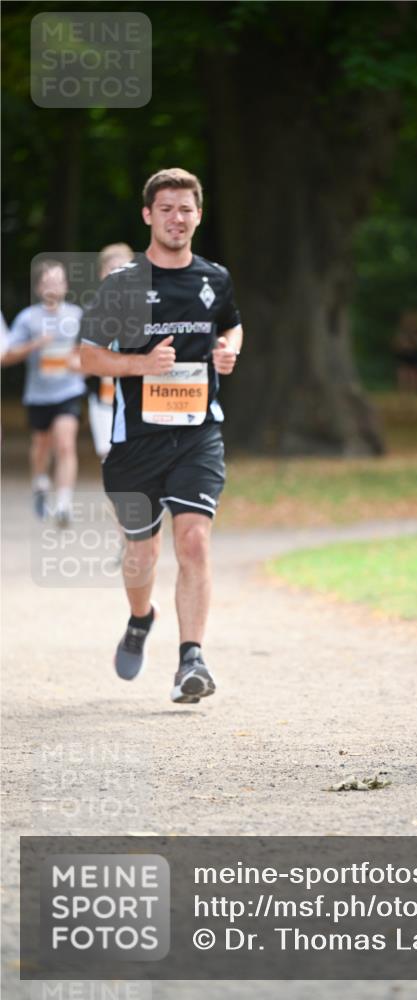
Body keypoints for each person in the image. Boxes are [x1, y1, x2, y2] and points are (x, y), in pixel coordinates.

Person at [80, 167, 243, 705]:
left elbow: (231, 323)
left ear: (199, 215)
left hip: (198, 434)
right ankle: (139, 617)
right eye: (167, 208)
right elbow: (86, 355)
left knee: (194, 539)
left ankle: (191, 658)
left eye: (187, 209)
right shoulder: (123, 284)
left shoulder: (214, 277)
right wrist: (142, 364)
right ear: (149, 215)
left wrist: (229, 349)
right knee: (141, 553)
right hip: (135, 443)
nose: (178, 218)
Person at [3, 260, 85, 526]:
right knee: (41, 445)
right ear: (39, 287)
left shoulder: (76, 315)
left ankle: (63, 504)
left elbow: (90, 351)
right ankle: (40, 483)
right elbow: (7, 355)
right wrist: (34, 345)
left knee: (65, 443)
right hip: (38, 395)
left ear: (66, 285)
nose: (54, 286)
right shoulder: (28, 318)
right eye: (48, 281)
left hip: (69, 391)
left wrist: (79, 362)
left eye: (59, 281)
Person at [85, 243, 134, 460]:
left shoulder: (149, 308)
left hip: (137, 395)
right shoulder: (90, 311)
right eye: (111, 269)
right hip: (103, 397)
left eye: (123, 268)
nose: (116, 275)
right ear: (101, 274)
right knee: (109, 456)